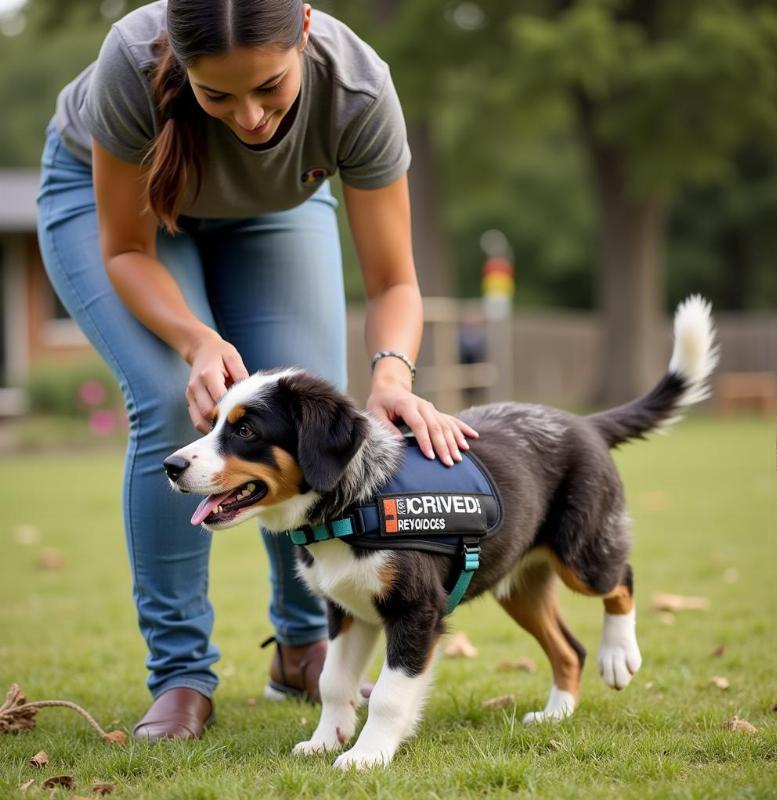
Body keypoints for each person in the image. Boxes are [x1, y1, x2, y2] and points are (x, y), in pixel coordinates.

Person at [37, 0, 476, 741]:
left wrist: (392, 378)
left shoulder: (358, 87)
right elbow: (126, 253)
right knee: (176, 404)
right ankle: (180, 676)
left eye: (270, 87)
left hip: (275, 208)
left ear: (303, 31)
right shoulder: (129, 62)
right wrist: (196, 341)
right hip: (113, 207)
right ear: (180, 66)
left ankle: (306, 647)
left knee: (305, 412)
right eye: (218, 96)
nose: (249, 118)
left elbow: (395, 283)